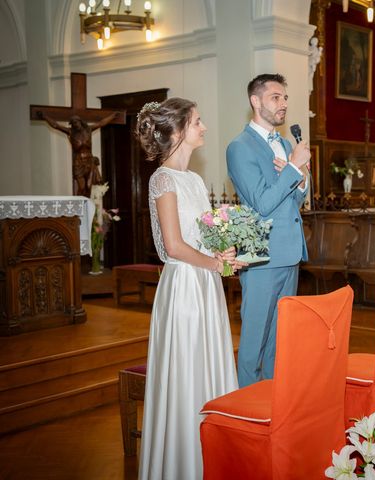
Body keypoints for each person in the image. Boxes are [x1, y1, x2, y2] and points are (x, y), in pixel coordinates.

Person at [135, 98, 242, 479]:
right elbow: (174, 245)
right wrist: (215, 262)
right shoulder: (162, 179)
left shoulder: (195, 180)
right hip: (183, 288)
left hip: (206, 284)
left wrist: (225, 252)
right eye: (198, 121)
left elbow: (204, 236)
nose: (204, 127)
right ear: (178, 131)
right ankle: (182, 464)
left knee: (209, 364)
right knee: (186, 370)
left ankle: (213, 459)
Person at [226, 73, 311, 387]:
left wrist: (300, 176)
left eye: (285, 98)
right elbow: (262, 203)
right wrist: (292, 168)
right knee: (254, 340)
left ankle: (274, 403)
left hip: (289, 249)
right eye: (276, 97)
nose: (283, 104)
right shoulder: (239, 147)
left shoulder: (285, 143)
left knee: (279, 338)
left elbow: (296, 197)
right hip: (261, 252)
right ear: (255, 101)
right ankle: (247, 405)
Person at [40, 112, 118, 197]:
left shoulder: (88, 130)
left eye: (76, 122)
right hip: (78, 162)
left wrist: (112, 116)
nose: (75, 125)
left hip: (89, 162)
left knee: (88, 187)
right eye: (73, 123)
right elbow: (56, 125)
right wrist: (45, 117)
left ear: (80, 122)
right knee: (82, 188)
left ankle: (86, 207)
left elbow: (101, 123)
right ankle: (79, 205)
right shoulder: (70, 132)